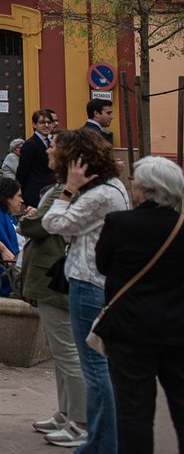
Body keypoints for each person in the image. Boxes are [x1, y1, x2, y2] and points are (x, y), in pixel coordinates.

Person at [40, 127, 130, 454]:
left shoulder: (98, 195)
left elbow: (52, 224)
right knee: (96, 365)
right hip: (94, 279)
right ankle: (100, 440)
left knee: (94, 366)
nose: (51, 155)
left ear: (76, 161)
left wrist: (68, 191)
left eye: (56, 151)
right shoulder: (110, 188)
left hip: (89, 282)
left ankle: (101, 443)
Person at [96, 155, 184, 454]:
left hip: (130, 329)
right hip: (177, 328)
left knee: (134, 411)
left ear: (145, 189)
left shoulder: (120, 223)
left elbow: (103, 264)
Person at [18, 164, 88, 448]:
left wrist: (31, 219)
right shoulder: (62, 190)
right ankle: (66, 412)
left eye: (54, 148)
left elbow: (36, 225)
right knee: (61, 353)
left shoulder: (65, 191)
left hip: (54, 277)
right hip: (53, 277)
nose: (48, 152)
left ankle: (79, 422)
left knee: (67, 353)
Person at [17, 109, 58, 204]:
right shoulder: (30, 144)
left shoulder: (54, 141)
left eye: (49, 122)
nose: (46, 125)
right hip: (36, 194)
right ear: (34, 125)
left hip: (51, 192)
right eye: (42, 122)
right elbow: (22, 172)